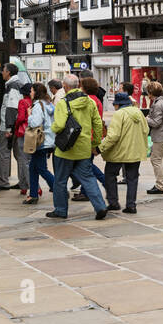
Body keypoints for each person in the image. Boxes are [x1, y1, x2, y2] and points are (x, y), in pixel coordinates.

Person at [47, 74, 107, 220]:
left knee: (60, 180)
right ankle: (100, 206)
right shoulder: (90, 102)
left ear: (65, 86)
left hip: (65, 149)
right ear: (78, 86)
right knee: (88, 178)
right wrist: (95, 143)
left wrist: (51, 128)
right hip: (84, 148)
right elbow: (98, 124)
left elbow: (59, 125)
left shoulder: (63, 103)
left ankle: (61, 210)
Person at [99, 87, 149, 213]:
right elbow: (146, 130)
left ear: (118, 104)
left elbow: (113, 136)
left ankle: (113, 202)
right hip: (135, 151)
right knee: (132, 178)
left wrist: (101, 148)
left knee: (110, 175)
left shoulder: (119, 114)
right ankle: (131, 205)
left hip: (119, 151)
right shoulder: (138, 113)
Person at [23, 83, 57, 205]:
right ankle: (33, 194)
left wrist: (29, 115)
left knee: (42, 169)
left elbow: (35, 123)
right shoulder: (48, 104)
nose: (30, 93)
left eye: (32, 91)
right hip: (49, 139)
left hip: (40, 141)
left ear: (36, 92)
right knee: (33, 168)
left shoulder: (38, 105)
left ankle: (58, 189)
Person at [1, 63, 30, 192]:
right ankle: (23, 182)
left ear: (8, 72)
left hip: (12, 127)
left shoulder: (13, 85)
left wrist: (9, 128)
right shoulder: (16, 84)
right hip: (16, 127)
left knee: (5, 153)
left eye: (3, 70)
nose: (2, 72)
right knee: (20, 155)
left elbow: (11, 108)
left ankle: (5, 181)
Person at [144, 81, 163, 194]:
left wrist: (146, 118)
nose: (147, 94)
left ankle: (159, 185)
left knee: (155, 159)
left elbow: (156, 122)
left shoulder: (157, 104)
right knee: (158, 159)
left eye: (148, 92)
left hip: (160, 135)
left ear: (151, 93)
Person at [12, 82, 33, 197]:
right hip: (33, 133)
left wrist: (15, 126)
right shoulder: (35, 102)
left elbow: (20, 118)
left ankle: (32, 187)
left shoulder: (22, 102)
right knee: (28, 160)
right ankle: (23, 186)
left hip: (23, 132)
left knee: (23, 161)